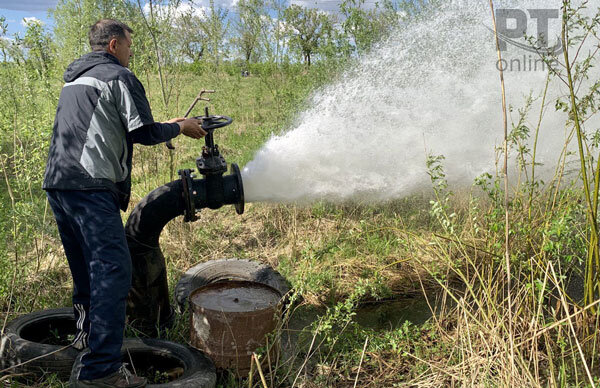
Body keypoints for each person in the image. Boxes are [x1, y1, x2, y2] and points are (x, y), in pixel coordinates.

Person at [43, 19, 205, 388]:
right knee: (114, 273)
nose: (131, 53)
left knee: (86, 270)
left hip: (59, 184)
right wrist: (181, 127)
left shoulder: (76, 79)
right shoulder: (118, 75)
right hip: (91, 187)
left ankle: (86, 341)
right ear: (115, 44)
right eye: (130, 46)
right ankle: (101, 371)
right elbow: (144, 134)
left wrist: (168, 122)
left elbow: (114, 125)